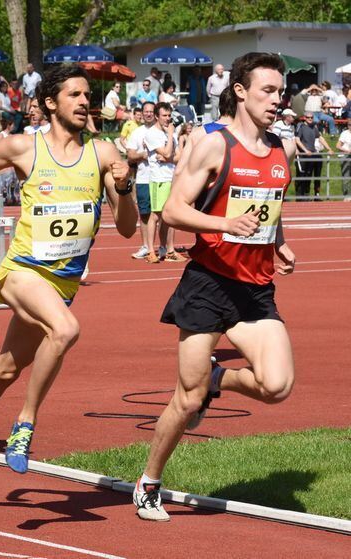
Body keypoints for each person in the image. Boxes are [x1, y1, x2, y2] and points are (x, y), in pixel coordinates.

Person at [0, 65, 138, 485]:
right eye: (74, 95)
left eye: (86, 96)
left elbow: (129, 227)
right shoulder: (23, 147)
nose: (84, 102)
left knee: (6, 369)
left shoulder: (103, 154)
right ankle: (24, 425)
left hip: (63, 283)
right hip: (22, 271)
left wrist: (126, 185)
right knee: (64, 331)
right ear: (50, 103)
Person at [133, 52, 298, 522]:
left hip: (255, 288)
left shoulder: (281, 150)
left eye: (280, 91)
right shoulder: (213, 145)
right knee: (186, 399)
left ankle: (219, 377)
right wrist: (226, 222)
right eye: (267, 90)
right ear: (240, 91)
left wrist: (278, 244)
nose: (277, 98)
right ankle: (149, 482)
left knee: (277, 385)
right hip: (208, 284)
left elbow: (270, 209)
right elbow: (173, 211)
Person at [144, 102, 185, 263]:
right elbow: (168, 153)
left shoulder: (171, 134)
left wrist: (168, 157)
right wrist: (169, 140)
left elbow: (178, 157)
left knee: (170, 216)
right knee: (156, 215)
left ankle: (168, 249)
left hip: (171, 178)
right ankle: (149, 251)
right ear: (156, 116)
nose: (168, 119)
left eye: (169, 116)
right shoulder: (152, 134)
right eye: (164, 116)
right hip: (158, 179)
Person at [127, 103, 156, 259]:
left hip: (162, 178)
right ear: (142, 114)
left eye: (151, 111)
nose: (149, 114)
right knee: (145, 214)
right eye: (146, 112)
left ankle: (164, 247)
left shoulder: (162, 131)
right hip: (144, 178)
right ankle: (146, 246)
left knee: (163, 214)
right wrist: (143, 155)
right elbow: (130, 155)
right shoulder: (137, 133)